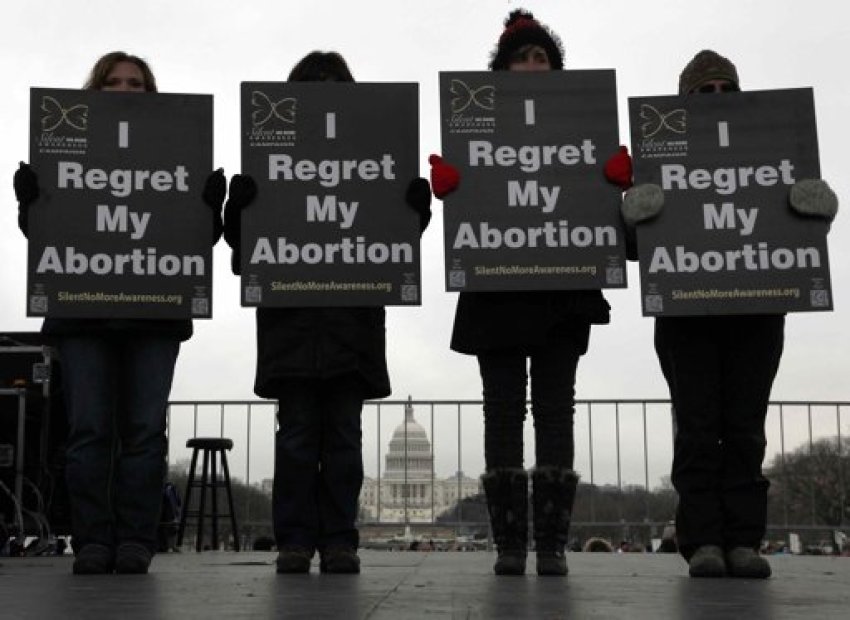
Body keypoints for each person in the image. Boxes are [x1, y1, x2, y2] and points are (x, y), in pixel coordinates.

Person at [621, 50, 839, 578]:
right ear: (685, 101)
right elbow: (636, 247)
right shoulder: (663, 158)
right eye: (703, 91)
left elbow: (791, 233)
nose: (716, 99)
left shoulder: (772, 149)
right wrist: (632, 217)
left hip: (757, 313)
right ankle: (702, 543)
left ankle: (744, 540)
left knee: (746, 430)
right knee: (697, 430)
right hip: (686, 316)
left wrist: (820, 211)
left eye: (725, 89)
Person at [13, 51, 226, 574]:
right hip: (82, 317)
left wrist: (210, 210)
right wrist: (30, 206)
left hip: (154, 317)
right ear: (97, 89)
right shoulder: (68, 150)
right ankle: (91, 539)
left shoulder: (179, 153)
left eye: (136, 82)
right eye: (114, 82)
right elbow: (53, 240)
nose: (126, 90)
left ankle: (135, 538)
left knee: (144, 432)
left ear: (151, 93)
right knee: (88, 431)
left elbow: (193, 243)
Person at [433, 10, 626, 577]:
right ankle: (511, 545)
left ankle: (552, 545)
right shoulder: (477, 128)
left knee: (556, 412)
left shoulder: (582, 129)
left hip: (562, 291)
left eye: (542, 57)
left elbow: (607, 218)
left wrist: (615, 185)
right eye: (522, 57)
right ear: (502, 69)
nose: (532, 65)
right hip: (496, 289)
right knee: (502, 413)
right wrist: (455, 187)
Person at [223, 51, 432, 575]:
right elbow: (245, 256)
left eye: (334, 86)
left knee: (343, 439)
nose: (323, 96)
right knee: (295, 438)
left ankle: (340, 539)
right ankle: (294, 539)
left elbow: (384, 243)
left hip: (349, 325)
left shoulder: (375, 159)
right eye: (312, 87)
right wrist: (236, 214)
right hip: (291, 326)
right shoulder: (271, 162)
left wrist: (413, 214)